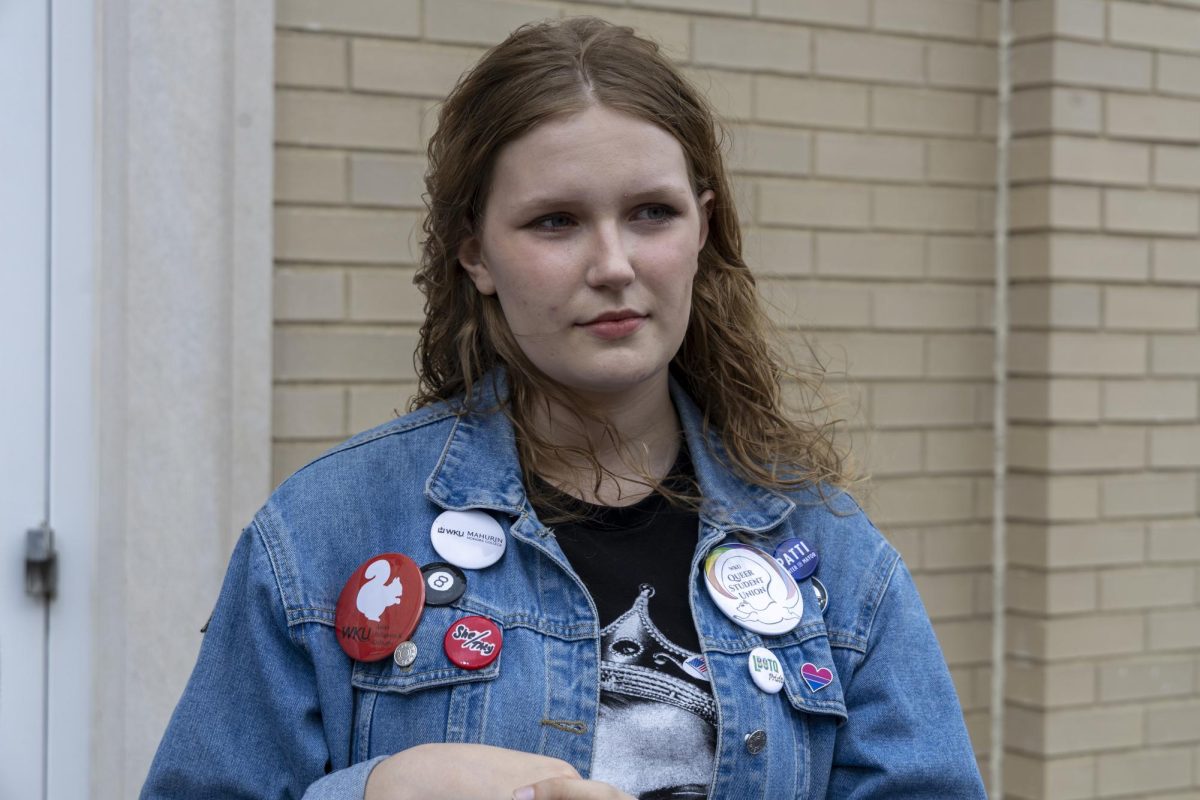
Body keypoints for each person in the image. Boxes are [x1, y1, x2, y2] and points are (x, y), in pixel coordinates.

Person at [142, 16, 986, 800]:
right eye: (556, 222)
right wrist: (377, 790)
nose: (614, 262)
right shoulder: (323, 535)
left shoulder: (831, 557)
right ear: (475, 253)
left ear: (703, 227)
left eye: (652, 212)